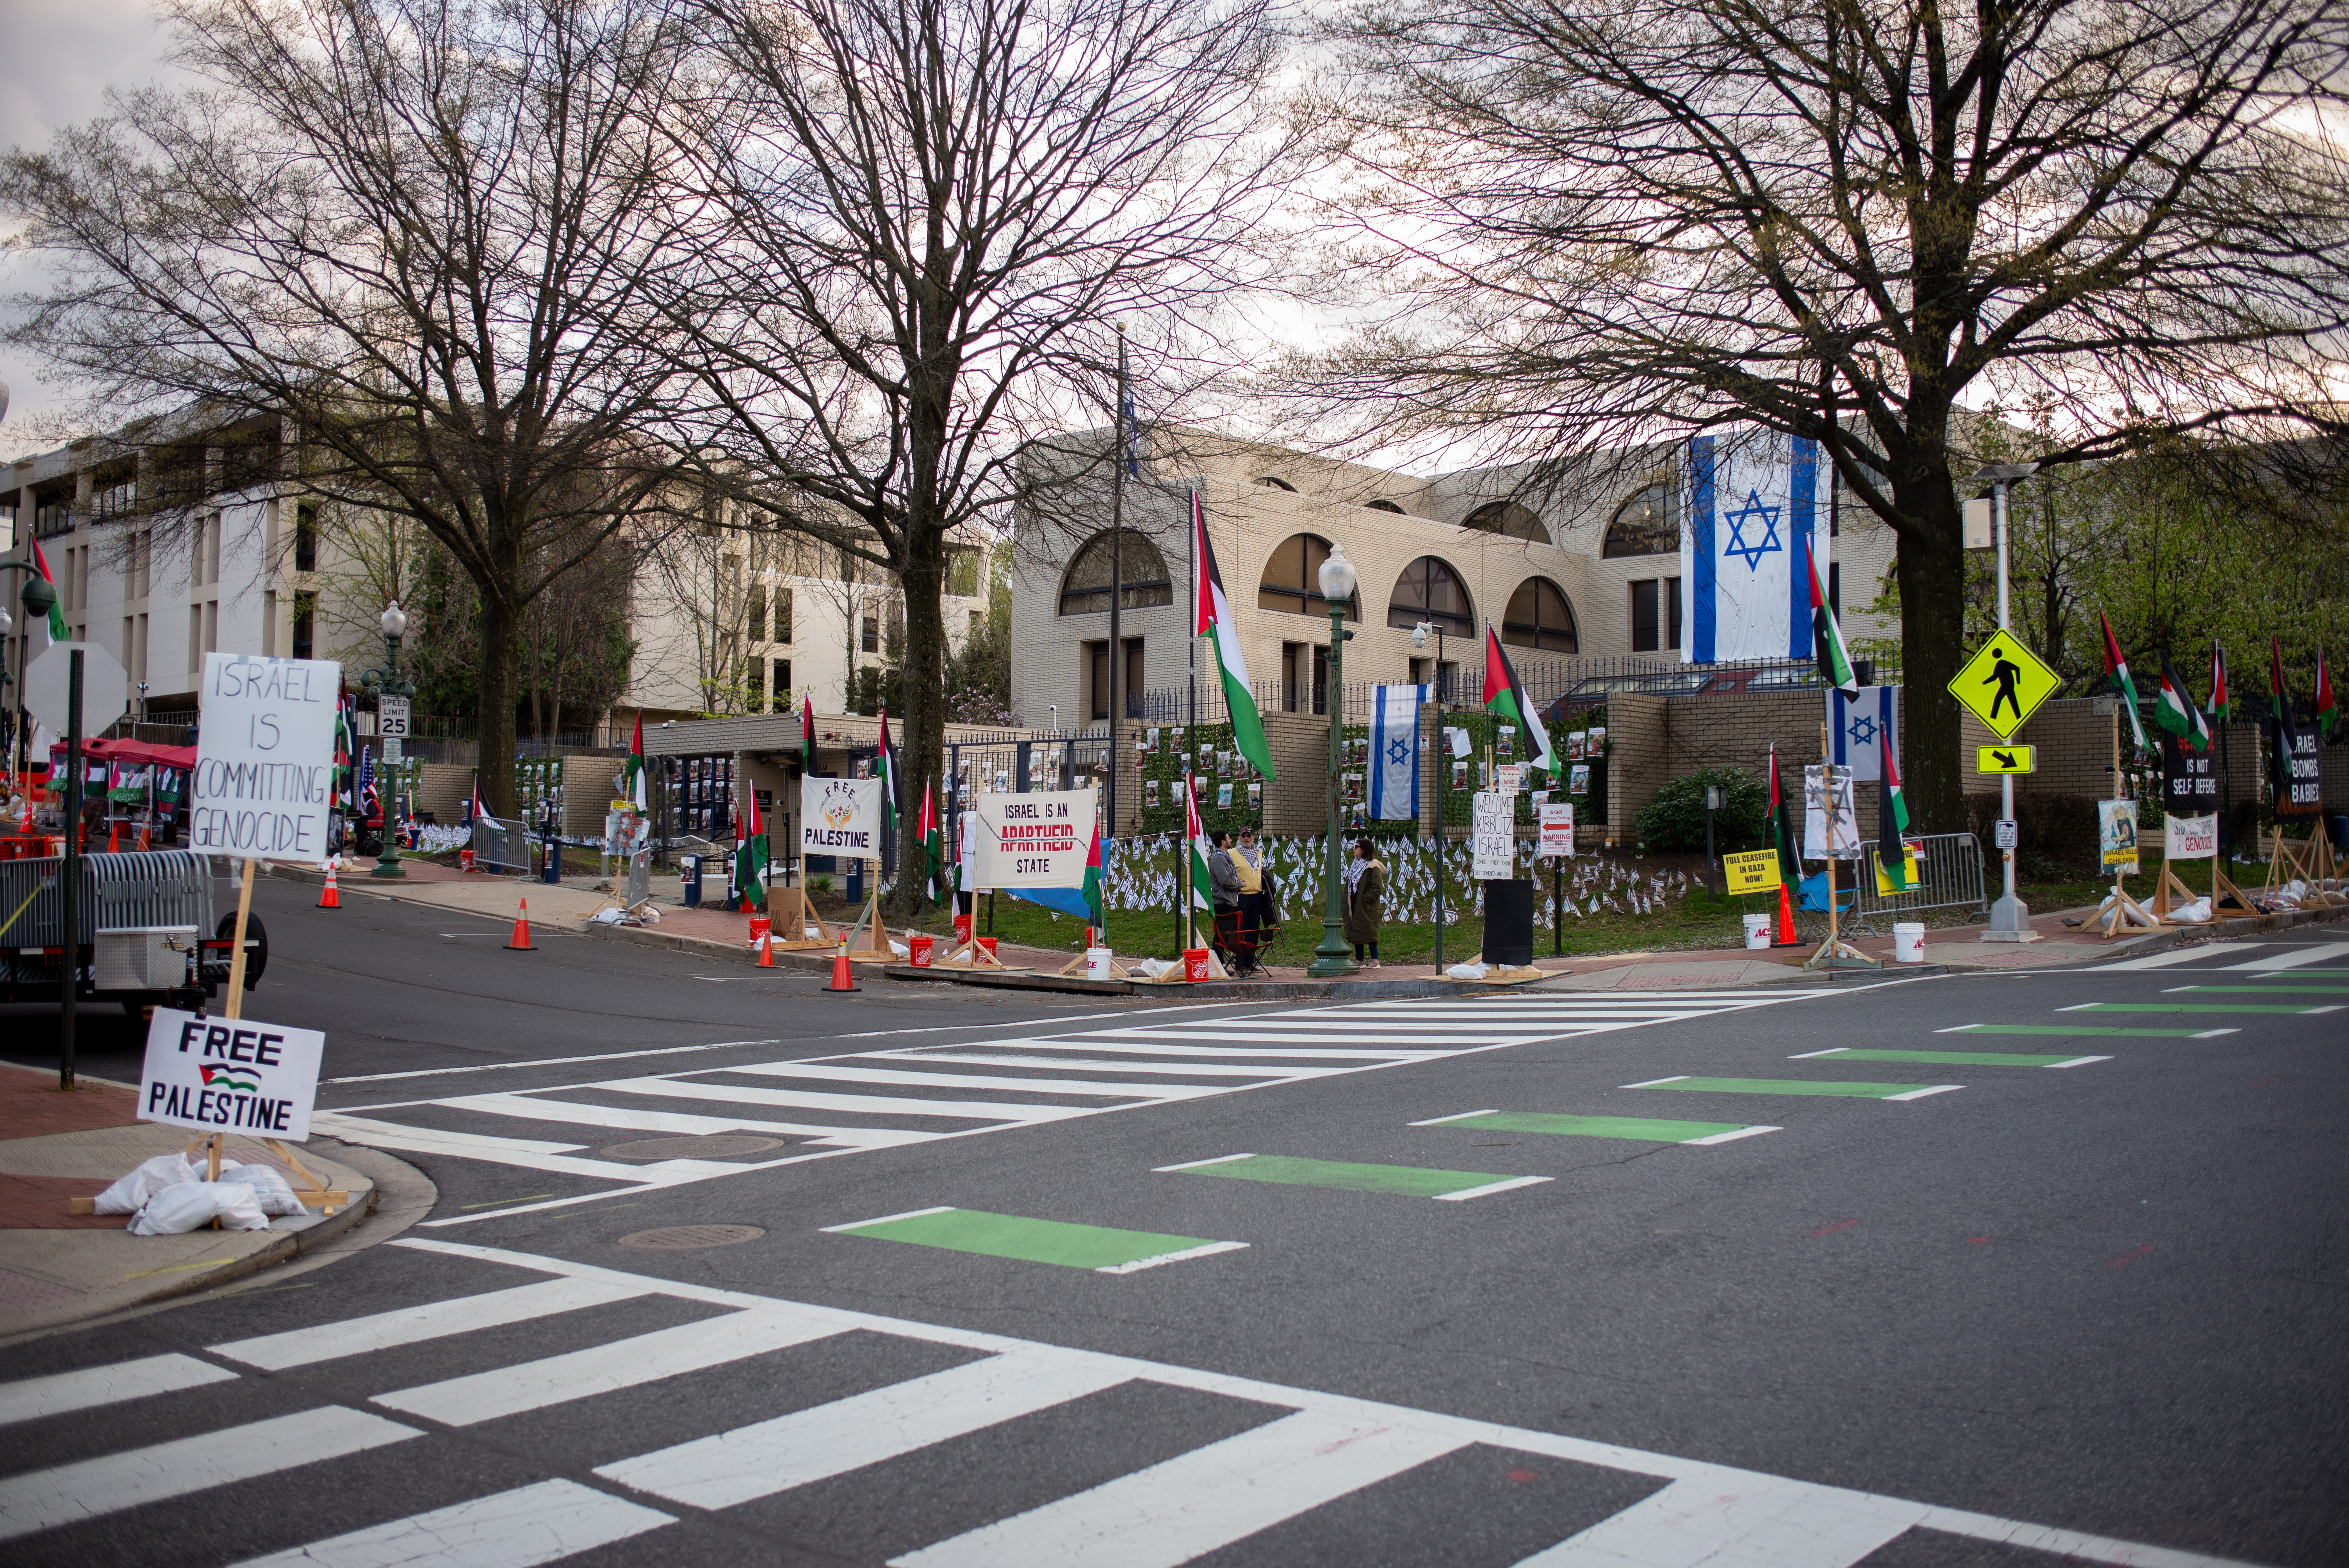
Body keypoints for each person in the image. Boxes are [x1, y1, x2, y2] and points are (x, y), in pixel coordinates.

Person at [1231, 826, 1270, 976]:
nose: (1246, 839)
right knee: (1242, 930)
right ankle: (1240, 963)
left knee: (1254, 930)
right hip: (1243, 896)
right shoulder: (1232, 853)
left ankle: (1250, 962)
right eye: (1243, 837)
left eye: (1249, 836)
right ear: (1239, 838)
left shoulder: (1259, 852)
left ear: (1253, 838)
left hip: (1257, 896)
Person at [1343, 835, 1386, 967]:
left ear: (1363, 850)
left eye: (1356, 847)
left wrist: (1365, 900)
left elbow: (1377, 888)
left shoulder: (1373, 867)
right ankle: (1360, 960)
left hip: (1367, 906)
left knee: (1369, 931)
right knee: (1357, 930)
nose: (1353, 849)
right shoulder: (1355, 865)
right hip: (1354, 902)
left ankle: (1375, 960)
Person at [1208, 830, 1244, 969]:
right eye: (1228, 838)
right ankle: (1218, 967)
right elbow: (1224, 881)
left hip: (1228, 902)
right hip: (1222, 903)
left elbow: (1228, 879)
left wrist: (1237, 881)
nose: (1231, 840)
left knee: (1225, 936)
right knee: (1221, 938)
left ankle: (1219, 966)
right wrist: (1239, 885)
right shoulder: (1218, 859)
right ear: (1223, 842)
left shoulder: (1225, 857)